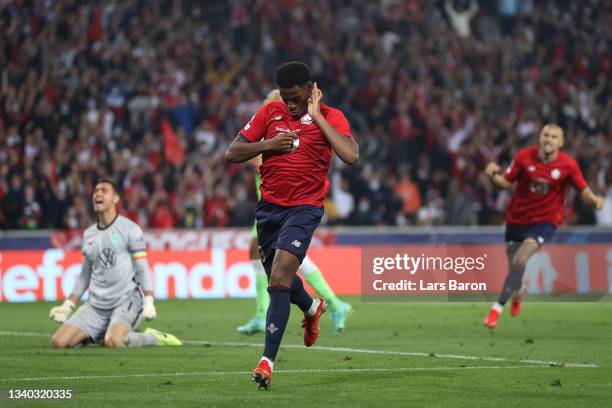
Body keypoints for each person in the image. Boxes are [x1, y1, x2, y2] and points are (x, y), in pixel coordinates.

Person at [226, 62, 359, 388]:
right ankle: (312, 307)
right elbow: (233, 152)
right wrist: (268, 145)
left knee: (281, 275)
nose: (290, 103)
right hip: (269, 211)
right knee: (278, 279)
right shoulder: (269, 112)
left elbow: (351, 155)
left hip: (304, 209)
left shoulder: (331, 115)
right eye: (286, 97)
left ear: (311, 89)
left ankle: (266, 362)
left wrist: (316, 116)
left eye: (297, 97)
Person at [237, 90, 353, 337]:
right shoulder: (271, 126)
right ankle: (331, 303)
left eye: (268, 102)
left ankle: (330, 303)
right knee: (266, 256)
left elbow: (255, 162)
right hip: (268, 206)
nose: (264, 107)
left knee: (283, 260)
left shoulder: (287, 132)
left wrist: (261, 146)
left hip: (288, 205)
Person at [483, 124, 603, 328]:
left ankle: (496, 309)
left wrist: (593, 200)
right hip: (516, 220)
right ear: (540, 138)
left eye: (554, 136)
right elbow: (505, 183)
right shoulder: (523, 157)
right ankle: (518, 291)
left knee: (521, 257)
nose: (549, 139)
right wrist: (493, 174)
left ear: (561, 142)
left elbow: (582, 189)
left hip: (545, 222)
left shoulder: (568, 165)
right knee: (515, 265)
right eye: (546, 135)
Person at [49, 177, 181, 348]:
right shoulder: (89, 234)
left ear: (115, 199)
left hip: (126, 300)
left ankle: (152, 338)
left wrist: (149, 300)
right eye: (96, 191)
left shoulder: (130, 229)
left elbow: (142, 267)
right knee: (58, 342)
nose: (98, 194)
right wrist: (68, 305)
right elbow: (84, 275)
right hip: (96, 306)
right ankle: (99, 333)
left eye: (104, 190)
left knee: (114, 341)